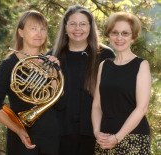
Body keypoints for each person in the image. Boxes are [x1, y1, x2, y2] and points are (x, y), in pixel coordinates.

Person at [0, 10, 60, 155]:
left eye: (42, 29)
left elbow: (56, 101)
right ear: (20, 32)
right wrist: (18, 130)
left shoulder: (49, 63)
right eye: (33, 28)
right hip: (22, 137)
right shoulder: (9, 64)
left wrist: (55, 74)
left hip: (51, 137)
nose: (39, 33)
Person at [47, 5, 115, 155]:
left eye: (83, 24)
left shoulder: (105, 54)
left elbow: (113, 95)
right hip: (62, 135)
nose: (78, 28)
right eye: (72, 23)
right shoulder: (52, 56)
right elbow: (48, 99)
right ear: (65, 27)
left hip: (98, 135)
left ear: (90, 27)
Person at [92, 11, 151, 154]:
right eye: (114, 32)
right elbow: (97, 105)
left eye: (125, 33)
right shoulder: (104, 65)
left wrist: (118, 137)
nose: (119, 37)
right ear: (109, 35)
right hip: (104, 138)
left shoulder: (141, 65)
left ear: (133, 37)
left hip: (134, 138)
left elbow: (141, 108)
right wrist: (96, 132)